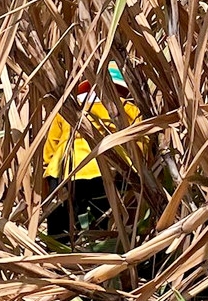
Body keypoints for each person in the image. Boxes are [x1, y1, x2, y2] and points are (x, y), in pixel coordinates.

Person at [42, 63, 139, 238]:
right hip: (107, 170)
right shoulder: (128, 108)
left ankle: (56, 255)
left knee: (60, 220)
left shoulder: (70, 108)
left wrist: (49, 167)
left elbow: (52, 144)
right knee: (105, 219)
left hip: (64, 169)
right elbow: (140, 142)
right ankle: (101, 251)